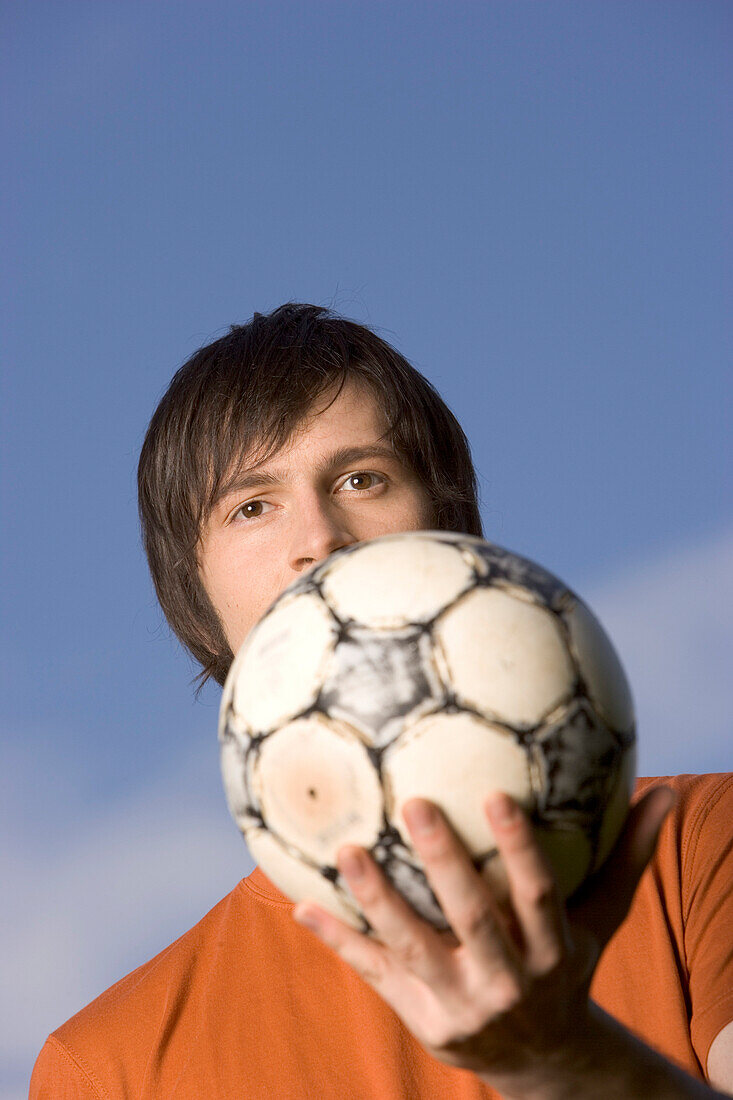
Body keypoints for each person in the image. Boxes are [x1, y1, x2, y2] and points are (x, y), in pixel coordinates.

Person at [30, 304, 733, 1098]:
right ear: (193, 597)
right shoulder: (106, 1067)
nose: (320, 536)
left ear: (455, 534)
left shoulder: (695, 849)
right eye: (251, 505)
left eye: (362, 478)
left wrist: (564, 1059)